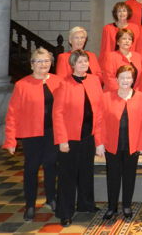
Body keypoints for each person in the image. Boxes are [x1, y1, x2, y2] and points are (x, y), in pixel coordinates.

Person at [3, 48, 61, 221]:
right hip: (31, 133)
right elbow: (12, 113)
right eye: (38, 61)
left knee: (51, 166)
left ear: (51, 63)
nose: (43, 65)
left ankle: (51, 199)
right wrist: (10, 139)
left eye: (46, 61)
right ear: (31, 64)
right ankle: (30, 205)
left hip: (53, 132)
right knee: (31, 169)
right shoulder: (22, 85)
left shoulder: (58, 81)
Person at [53, 50, 104, 227]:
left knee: (85, 173)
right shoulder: (64, 84)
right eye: (80, 62)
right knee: (68, 176)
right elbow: (57, 113)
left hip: (88, 136)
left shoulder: (94, 81)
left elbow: (99, 113)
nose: (84, 64)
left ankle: (86, 204)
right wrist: (62, 140)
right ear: (73, 64)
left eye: (86, 61)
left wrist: (99, 141)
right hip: (70, 138)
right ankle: (65, 212)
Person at [97, 65, 142, 220]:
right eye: (122, 77)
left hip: (132, 145)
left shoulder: (141, 97)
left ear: (133, 80)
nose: (125, 80)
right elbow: (99, 122)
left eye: (129, 77)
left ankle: (126, 205)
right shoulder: (106, 97)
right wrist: (99, 143)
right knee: (112, 176)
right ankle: (111, 207)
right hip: (111, 144)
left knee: (129, 176)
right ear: (117, 79)